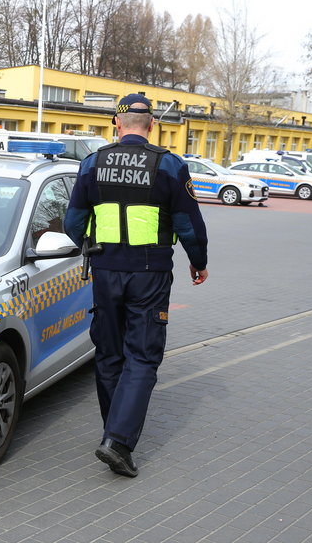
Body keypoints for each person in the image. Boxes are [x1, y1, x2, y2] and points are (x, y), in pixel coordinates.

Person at [64, 93, 209, 478]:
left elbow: (72, 222)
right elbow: (189, 226)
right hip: (151, 274)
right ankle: (118, 441)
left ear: (117, 122)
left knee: (110, 354)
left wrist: (89, 245)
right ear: (152, 126)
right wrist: (199, 262)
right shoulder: (169, 165)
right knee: (142, 356)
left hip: (106, 271)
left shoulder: (92, 163)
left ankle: (114, 432)